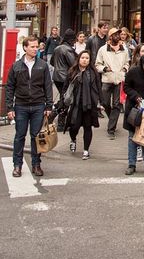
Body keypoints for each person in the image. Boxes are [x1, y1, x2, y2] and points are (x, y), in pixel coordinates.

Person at [5, 35, 53, 178]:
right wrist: (10, 108)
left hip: (38, 105)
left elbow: (48, 86)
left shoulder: (42, 65)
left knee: (36, 137)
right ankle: (17, 165)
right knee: (19, 136)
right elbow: (10, 87)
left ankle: (36, 164)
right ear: (25, 47)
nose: (35, 49)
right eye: (32, 46)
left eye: (36, 46)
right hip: (21, 106)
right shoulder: (16, 66)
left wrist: (48, 106)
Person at [64, 50, 103, 159]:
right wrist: (63, 102)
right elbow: (66, 87)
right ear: (79, 59)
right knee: (74, 126)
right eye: (83, 58)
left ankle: (86, 150)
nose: (84, 60)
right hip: (76, 104)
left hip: (89, 104)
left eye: (87, 58)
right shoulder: (72, 71)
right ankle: (73, 139)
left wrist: (101, 102)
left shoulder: (93, 72)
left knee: (87, 127)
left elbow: (98, 88)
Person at [95, 27, 130, 139]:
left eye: (119, 34)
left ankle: (111, 129)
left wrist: (125, 68)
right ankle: (112, 119)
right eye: (115, 34)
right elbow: (97, 64)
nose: (118, 36)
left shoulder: (124, 49)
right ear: (110, 37)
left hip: (119, 80)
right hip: (107, 79)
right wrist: (104, 69)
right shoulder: (102, 50)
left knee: (117, 105)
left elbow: (127, 62)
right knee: (105, 102)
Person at [51, 29, 77, 130]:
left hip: (57, 76)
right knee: (66, 99)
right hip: (65, 77)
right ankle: (60, 122)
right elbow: (73, 64)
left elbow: (52, 62)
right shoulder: (67, 49)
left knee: (63, 97)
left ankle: (53, 115)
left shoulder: (58, 48)